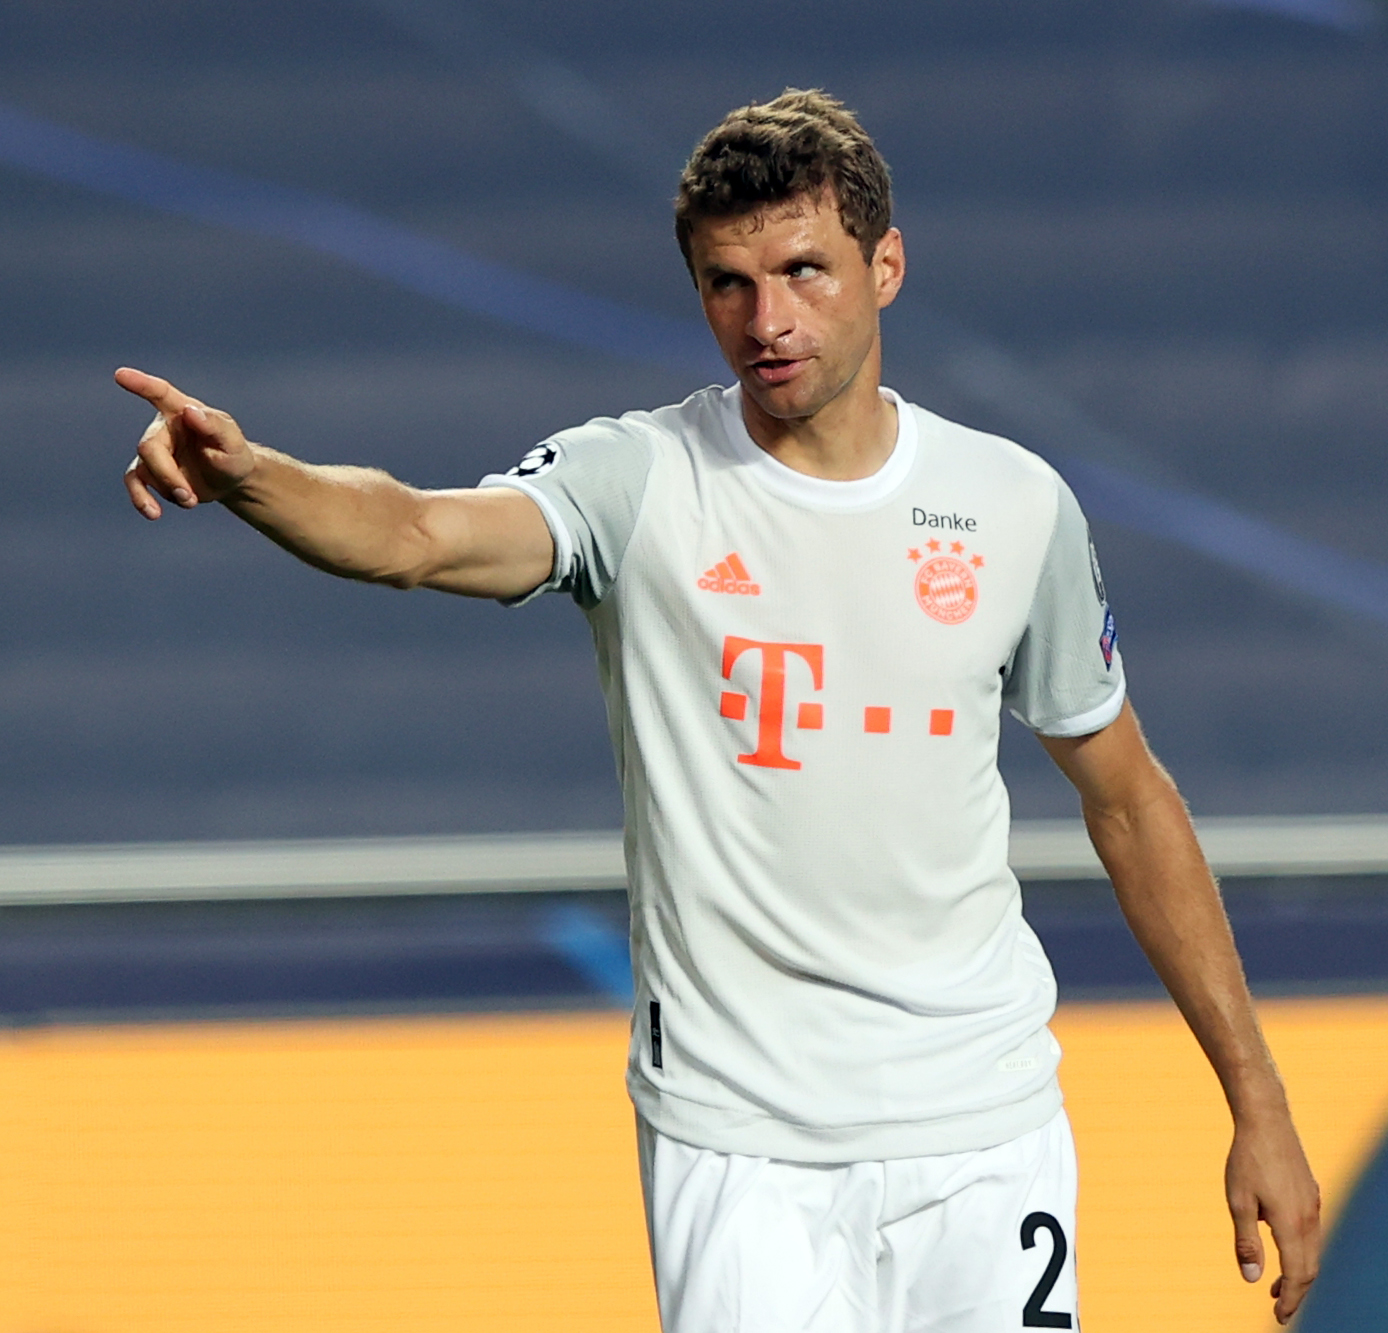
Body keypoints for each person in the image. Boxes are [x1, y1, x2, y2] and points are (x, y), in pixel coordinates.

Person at [118, 89, 1320, 1330]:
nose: (767, 319)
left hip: (983, 1131)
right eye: (726, 284)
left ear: (885, 267)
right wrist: (256, 479)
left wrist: (1259, 1106)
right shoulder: (637, 481)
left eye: (803, 270)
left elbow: (1127, 801)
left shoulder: (1011, 505)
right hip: (738, 1149)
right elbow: (416, 533)